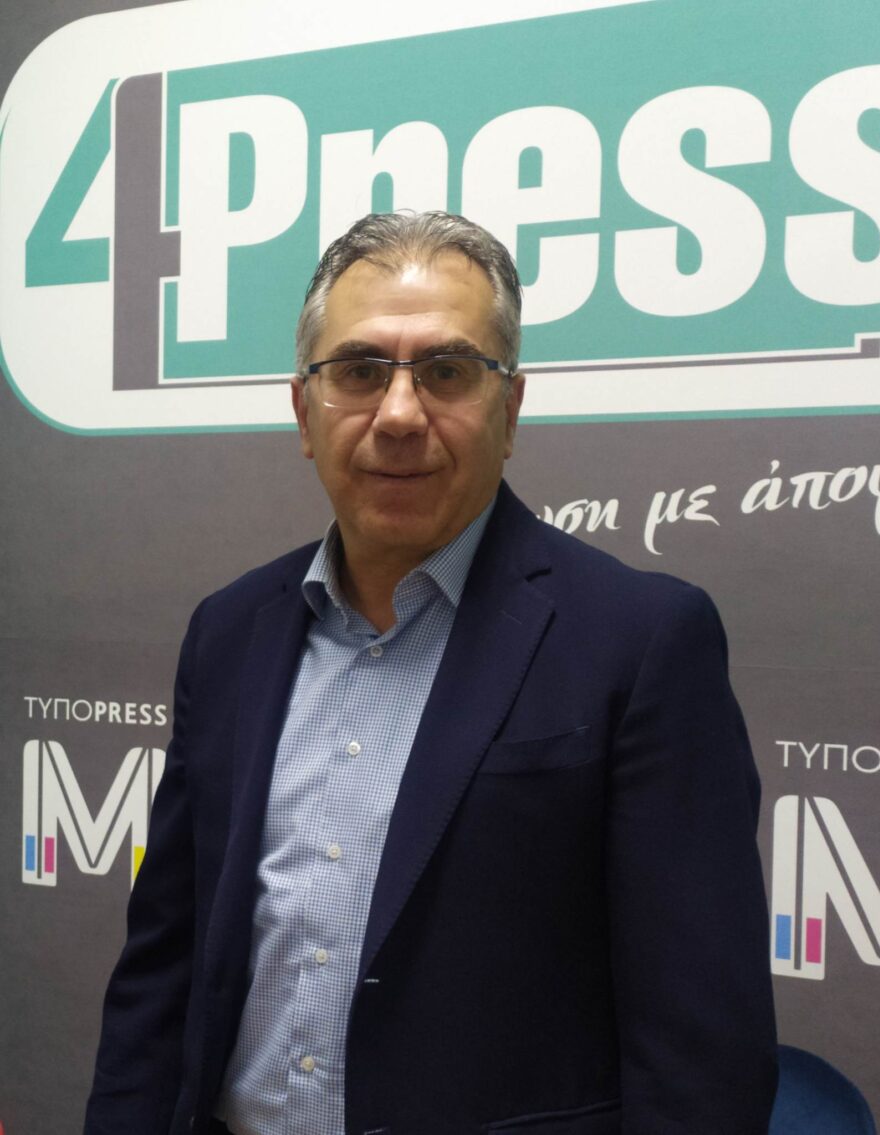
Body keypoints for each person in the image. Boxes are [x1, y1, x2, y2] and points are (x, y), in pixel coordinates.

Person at [85, 212, 778, 1135]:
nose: (401, 414)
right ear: (304, 411)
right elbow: (161, 973)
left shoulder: (643, 641)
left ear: (510, 410)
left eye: (447, 372)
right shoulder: (229, 633)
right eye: (359, 372)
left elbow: (701, 1057)